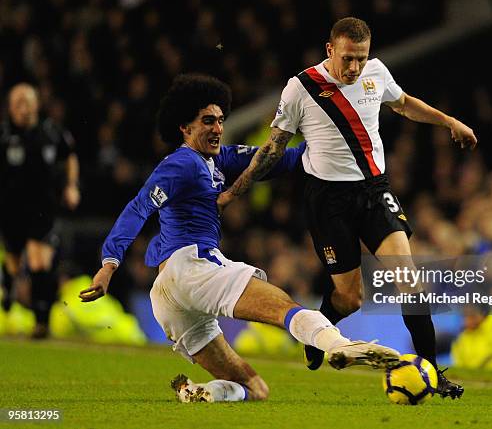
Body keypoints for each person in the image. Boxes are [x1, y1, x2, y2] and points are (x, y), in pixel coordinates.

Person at [79, 73, 400, 403]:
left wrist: (330, 133)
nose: (217, 128)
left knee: (255, 389)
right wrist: (110, 262)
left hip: (168, 296)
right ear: (184, 127)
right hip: (192, 267)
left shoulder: (218, 160)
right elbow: (140, 206)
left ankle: (200, 392)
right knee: (284, 309)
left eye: (220, 120)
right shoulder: (180, 164)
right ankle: (340, 346)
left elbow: (282, 158)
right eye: (207, 121)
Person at [218, 17, 478, 399]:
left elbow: (403, 104)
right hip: (328, 201)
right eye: (347, 59)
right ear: (330, 50)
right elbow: (273, 148)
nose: (354, 67)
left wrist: (449, 121)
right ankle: (318, 330)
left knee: (409, 282)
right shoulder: (301, 88)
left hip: (374, 192)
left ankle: (433, 373)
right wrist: (234, 192)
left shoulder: (376, 72)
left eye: (360, 58)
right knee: (350, 298)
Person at [0, 83, 80, 339]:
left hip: (41, 207)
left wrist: (70, 186)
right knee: (14, 261)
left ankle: (41, 321)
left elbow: (69, 155)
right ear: (10, 108)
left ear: (36, 105)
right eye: (18, 103)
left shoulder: (51, 132)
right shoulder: (3, 134)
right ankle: (8, 281)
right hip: (9, 208)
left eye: (27, 102)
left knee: (39, 260)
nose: (23, 109)